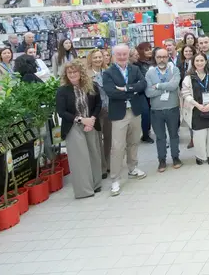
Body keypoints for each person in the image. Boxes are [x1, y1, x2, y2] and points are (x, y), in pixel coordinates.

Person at [102, 44, 148, 196]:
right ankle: (115, 179)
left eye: (124, 54)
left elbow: (143, 85)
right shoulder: (108, 73)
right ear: (114, 55)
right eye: (119, 54)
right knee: (117, 147)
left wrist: (126, 88)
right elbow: (111, 92)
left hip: (134, 111)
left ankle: (132, 168)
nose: (122, 57)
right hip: (119, 114)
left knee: (134, 141)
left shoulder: (134, 69)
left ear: (128, 54)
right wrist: (132, 91)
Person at [55, 59, 102, 199]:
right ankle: (84, 190)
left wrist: (92, 119)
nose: (72, 74)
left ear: (81, 72)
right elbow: (61, 112)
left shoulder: (92, 86)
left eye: (75, 71)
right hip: (73, 126)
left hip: (91, 124)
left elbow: (98, 104)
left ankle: (96, 184)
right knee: (79, 158)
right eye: (69, 72)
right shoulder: (62, 91)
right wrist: (82, 120)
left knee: (94, 154)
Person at [181, 53, 209, 165]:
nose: (199, 63)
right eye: (197, 61)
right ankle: (200, 156)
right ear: (193, 63)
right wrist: (198, 105)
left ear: (206, 61)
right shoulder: (188, 77)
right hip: (196, 109)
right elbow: (185, 94)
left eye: (201, 60)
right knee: (199, 135)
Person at [145, 47, 182, 172]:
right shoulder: (150, 73)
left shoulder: (174, 69)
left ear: (168, 57)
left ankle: (176, 157)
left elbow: (174, 85)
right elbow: (149, 92)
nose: (162, 59)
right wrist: (166, 88)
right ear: (155, 58)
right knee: (160, 137)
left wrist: (158, 86)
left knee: (174, 135)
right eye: (159, 57)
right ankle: (162, 160)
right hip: (156, 110)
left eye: (164, 57)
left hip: (172, 108)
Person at [86, 49, 112, 179]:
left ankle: (108, 164)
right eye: (95, 57)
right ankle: (101, 167)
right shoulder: (86, 74)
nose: (98, 60)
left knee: (109, 138)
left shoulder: (107, 72)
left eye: (99, 57)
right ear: (90, 59)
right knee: (97, 140)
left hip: (109, 109)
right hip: (96, 110)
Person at [134, 42, 155, 144]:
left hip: (154, 90)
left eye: (150, 48)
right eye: (146, 50)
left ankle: (148, 131)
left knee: (151, 113)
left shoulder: (155, 61)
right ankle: (145, 135)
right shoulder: (137, 64)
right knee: (145, 112)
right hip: (142, 92)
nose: (150, 51)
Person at [177, 45, 196, 148]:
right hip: (184, 93)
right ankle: (192, 138)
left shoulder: (196, 62)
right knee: (188, 115)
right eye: (186, 51)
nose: (188, 53)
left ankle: (197, 138)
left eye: (190, 51)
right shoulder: (181, 64)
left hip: (194, 92)